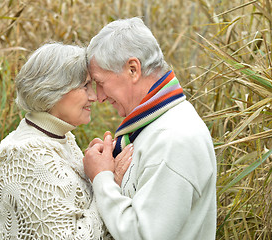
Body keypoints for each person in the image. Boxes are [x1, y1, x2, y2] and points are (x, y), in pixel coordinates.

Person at [83, 17, 217, 240]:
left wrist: (102, 178)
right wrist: (113, 173)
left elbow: (144, 235)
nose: (99, 96)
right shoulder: (155, 126)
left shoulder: (173, 140)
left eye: (100, 82)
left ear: (133, 69)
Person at [0, 43, 133, 239]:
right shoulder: (28, 155)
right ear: (53, 90)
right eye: (85, 86)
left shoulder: (61, 138)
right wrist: (109, 180)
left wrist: (95, 170)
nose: (94, 96)